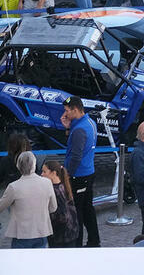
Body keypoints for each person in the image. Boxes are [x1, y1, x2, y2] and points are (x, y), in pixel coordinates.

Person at [60, 96, 98, 248]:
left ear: (76, 109)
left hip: (78, 176)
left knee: (77, 213)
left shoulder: (80, 130)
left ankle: (77, 245)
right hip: (88, 172)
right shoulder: (89, 123)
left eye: (67, 111)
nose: (65, 114)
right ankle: (94, 241)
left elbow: (75, 155)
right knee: (88, 209)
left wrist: (68, 174)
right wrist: (68, 128)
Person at [0, 151, 56, 248]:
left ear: (18, 166)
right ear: (34, 165)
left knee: (19, 262)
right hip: (41, 232)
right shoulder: (47, 183)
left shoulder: (13, 187)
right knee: (39, 262)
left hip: (22, 234)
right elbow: (53, 208)